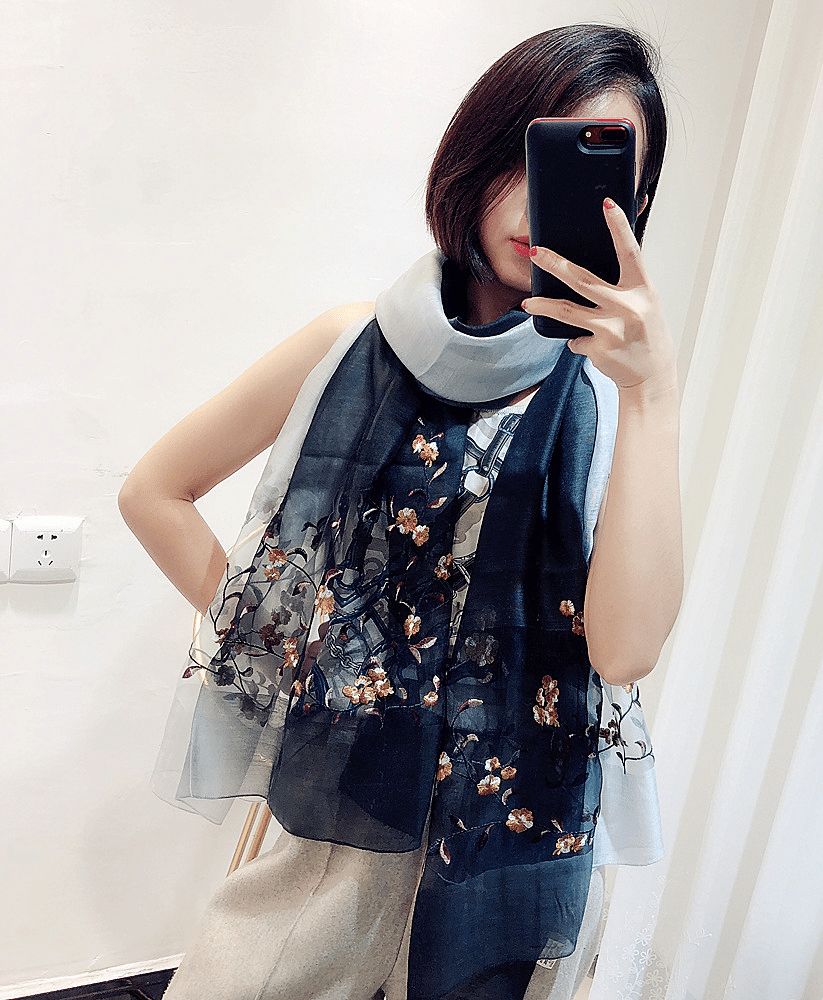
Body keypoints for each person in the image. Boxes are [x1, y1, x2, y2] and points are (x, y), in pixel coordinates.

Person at [119, 22, 682, 1000]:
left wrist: (654, 396)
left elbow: (624, 652)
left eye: (586, 173)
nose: (535, 201)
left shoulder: (602, 401)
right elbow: (154, 493)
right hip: (339, 830)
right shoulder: (354, 345)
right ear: (474, 153)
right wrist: (303, 663)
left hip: (511, 851)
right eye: (524, 152)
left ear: (629, 209)